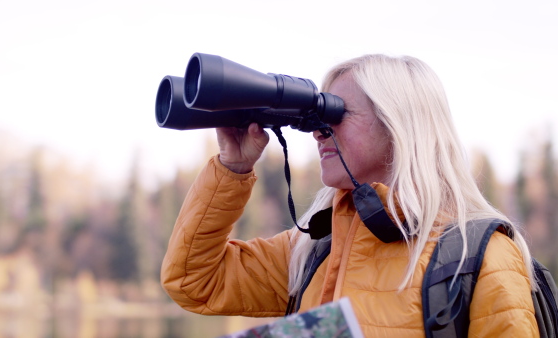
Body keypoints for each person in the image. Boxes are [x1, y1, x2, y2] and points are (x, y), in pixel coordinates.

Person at [160, 54, 539, 336]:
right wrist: (233, 166)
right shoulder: (311, 249)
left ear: (398, 125)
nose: (318, 133)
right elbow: (194, 282)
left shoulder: (478, 255)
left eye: (335, 114)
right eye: (315, 119)